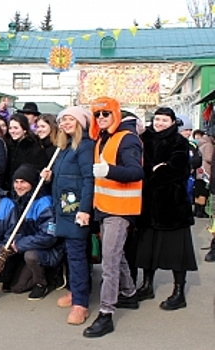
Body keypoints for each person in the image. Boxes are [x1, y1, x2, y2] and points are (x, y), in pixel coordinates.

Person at [83, 97, 144, 338]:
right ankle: (129, 294)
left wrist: (110, 171)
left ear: (115, 114)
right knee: (114, 256)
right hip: (105, 207)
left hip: (120, 210)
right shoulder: (103, 138)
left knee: (109, 262)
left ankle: (106, 313)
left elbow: (136, 171)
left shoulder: (127, 139)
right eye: (97, 114)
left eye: (105, 114)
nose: (100, 118)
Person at [135, 107, 197, 310]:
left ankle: (179, 292)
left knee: (177, 251)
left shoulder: (179, 141)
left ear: (172, 122)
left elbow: (177, 170)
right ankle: (147, 285)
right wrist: (155, 169)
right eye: (157, 119)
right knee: (148, 248)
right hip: (149, 204)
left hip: (173, 205)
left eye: (164, 120)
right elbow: (139, 167)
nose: (159, 123)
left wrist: (155, 172)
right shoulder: (144, 139)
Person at [40, 106, 94, 325]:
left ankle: (80, 304)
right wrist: (50, 176)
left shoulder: (85, 146)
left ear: (80, 122)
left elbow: (89, 179)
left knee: (77, 254)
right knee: (71, 253)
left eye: (71, 119)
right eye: (63, 120)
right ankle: (75, 290)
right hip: (62, 209)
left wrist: (85, 209)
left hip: (76, 210)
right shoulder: (63, 148)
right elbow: (68, 177)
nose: (66, 123)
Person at [7, 164, 64, 299]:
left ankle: (42, 283)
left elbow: (49, 236)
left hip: (51, 249)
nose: (19, 186)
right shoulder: (18, 200)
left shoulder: (44, 203)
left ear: (32, 184)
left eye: (23, 182)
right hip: (30, 245)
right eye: (16, 182)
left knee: (30, 256)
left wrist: (20, 244)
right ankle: (42, 273)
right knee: (16, 287)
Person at [4, 113, 48, 191]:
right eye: (10, 128)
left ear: (24, 129)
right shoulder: (9, 145)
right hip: (11, 188)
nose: (12, 131)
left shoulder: (34, 148)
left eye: (16, 128)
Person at [194, 123, 210, 218]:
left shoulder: (199, 144)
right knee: (203, 191)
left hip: (199, 170)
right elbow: (209, 158)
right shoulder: (208, 145)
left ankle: (197, 210)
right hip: (206, 171)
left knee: (198, 190)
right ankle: (201, 211)